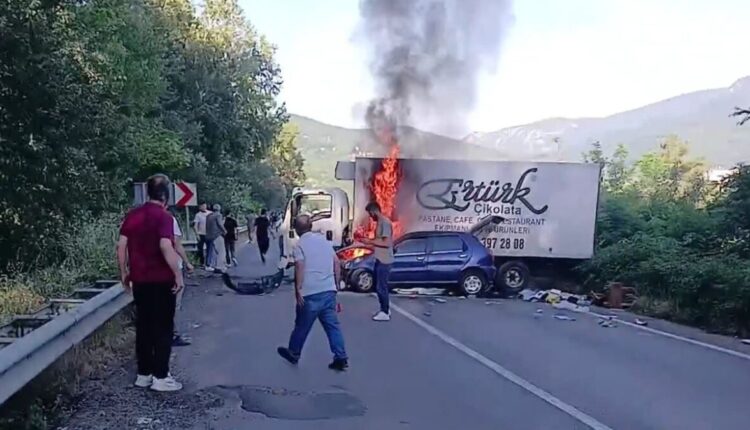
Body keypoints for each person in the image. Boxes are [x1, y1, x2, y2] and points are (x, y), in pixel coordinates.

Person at [116, 174, 184, 392]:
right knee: (163, 327)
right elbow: (165, 246)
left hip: (140, 280)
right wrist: (177, 274)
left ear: (148, 193)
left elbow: (121, 246)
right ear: (166, 195)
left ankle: (143, 374)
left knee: (144, 326)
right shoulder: (164, 217)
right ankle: (161, 376)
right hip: (161, 280)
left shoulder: (133, 215)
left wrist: (124, 272)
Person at [277, 214, 348, 371]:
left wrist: (298, 289)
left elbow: (300, 267)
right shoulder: (324, 241)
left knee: (302, 325)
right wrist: (336, 285)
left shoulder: (300, 245)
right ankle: (341, 357)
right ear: (311, 226)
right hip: (328, 291)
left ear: (296, 229)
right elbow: (336, 263)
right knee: (332, 327)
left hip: (311, 293)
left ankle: (294, 352)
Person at [359, 202, 394, 322]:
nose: (370, 216)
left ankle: (385, 312)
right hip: (380, 258)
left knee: (381, 286)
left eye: (370, 213)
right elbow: (379, 240)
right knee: (379, 285)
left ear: (374, 211)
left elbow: (387, 243)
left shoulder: (385, 223)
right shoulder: (380, 222)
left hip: (385, 260)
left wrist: (369, 241)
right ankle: (385, 308)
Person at [171, 213, 194, 347]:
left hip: (148, 269)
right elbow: (176, 243)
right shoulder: (168, 219)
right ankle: (172, 334)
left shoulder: (137, 218)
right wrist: (187, 262)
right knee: (174, 302)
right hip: (171, 267)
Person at [205, 204, 227, 273]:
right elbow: (220, 224)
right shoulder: (218, 215)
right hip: (217, 235)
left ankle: (212, 265)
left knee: (212, 252)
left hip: (209, 235)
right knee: (221, 251)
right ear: (219, 209)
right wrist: (224, 230)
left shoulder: (208, 216)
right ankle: (219, 267)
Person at [192, 203, 211, 267]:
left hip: (209, 233)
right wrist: (197, 234)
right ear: (200, 207)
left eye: (204, 206)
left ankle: (208, 262)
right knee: (200, 249)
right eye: (202, 206)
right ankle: (202, 262)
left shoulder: (210, 213)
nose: (204, 207)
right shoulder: (198, 215)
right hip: (201, 234)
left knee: (209, 249)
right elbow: (195, 226)